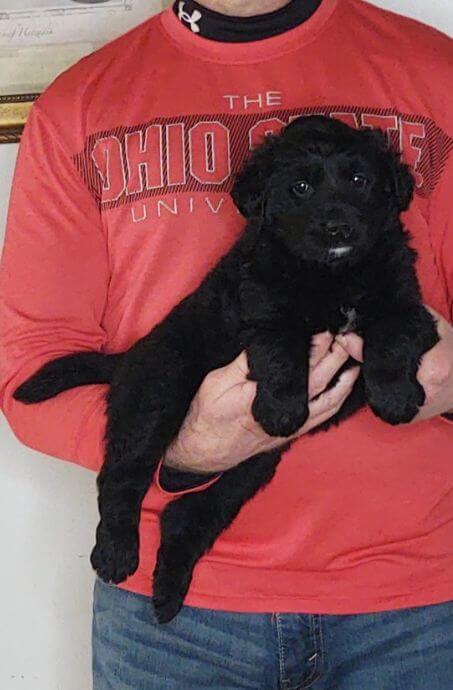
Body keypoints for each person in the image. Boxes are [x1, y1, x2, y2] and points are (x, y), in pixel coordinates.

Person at [1, 0, 452, 687]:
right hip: (173, 627)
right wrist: (180, 446)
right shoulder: (80, 104)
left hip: (418, 606)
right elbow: (30, 366)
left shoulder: (434, 71)